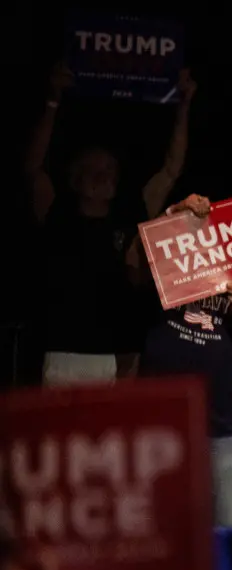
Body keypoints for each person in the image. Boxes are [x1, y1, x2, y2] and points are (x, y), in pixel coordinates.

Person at [25, 62, 195, 385]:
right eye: (95, 169)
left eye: (111, 169)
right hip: (65, 354)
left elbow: (171, 169)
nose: (105, 175)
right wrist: (51, 101)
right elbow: (33, 168)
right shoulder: (57, 212)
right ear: (76, 179)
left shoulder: (131, 214)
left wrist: (184, 104)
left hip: (120, 355)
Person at [130, 194, 232, 529]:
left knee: (230, 527)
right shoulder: (171, 260)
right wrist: (172, 215)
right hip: (158, 423)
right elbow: (132, 267)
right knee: (156, 525)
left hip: (219, 425)